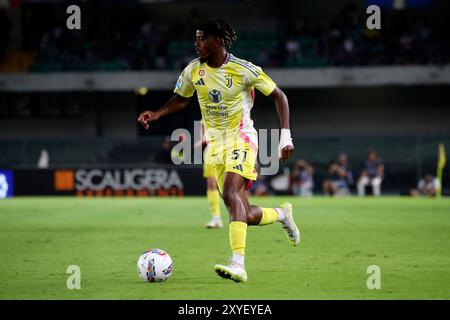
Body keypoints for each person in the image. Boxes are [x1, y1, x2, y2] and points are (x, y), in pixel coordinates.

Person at [138, 19, 300, 282]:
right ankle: (282, 214)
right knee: (243, 214)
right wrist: (156, 113)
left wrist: (285, 137)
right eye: (196, 38)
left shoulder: (244, 70)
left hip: (242, 139)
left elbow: (279, 96)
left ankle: (238, 264)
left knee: (230, 192)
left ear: (218, 41)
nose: (196, 43)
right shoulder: (193, 70)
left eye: (201, 38)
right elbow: (181, 98)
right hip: (215, 145)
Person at [194, 119, 223, 228]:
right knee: (211, 184)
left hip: (229, 147)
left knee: (231, 185)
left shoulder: (229, 106)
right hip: (211, 149)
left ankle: (239, 215)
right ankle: (216, 218)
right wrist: (202, 139)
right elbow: (204, 133)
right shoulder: (205, 113)